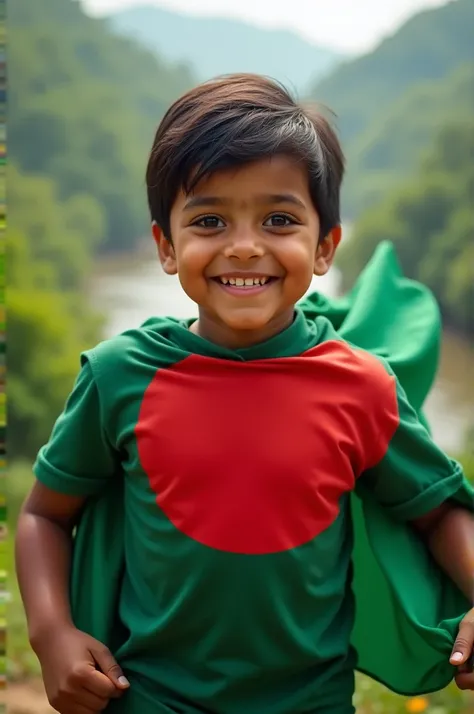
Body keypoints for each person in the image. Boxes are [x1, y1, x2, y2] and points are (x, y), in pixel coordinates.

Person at [15, 74, 474, 714]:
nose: (244, 246)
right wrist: (51, 634)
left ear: (325, 247)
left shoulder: (362, 387)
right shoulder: (120, 375)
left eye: (279, 218)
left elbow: (438, 509)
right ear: (166, 247)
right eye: (209, 219)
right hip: (147, 701)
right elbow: (44, 515)